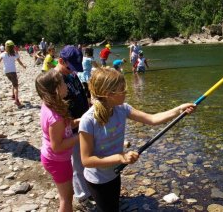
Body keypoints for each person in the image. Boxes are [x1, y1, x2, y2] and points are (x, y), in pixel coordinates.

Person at [79, 68, 196, 212]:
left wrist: (179, 109)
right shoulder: (88, 121)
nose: (126, 92)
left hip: (114, 173)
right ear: (109, 94)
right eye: (122, 89)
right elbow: (86, 160)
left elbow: (153, 119)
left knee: (114, 206)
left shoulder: (122, 109)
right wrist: (120, 157)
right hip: (97, 179)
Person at [54, 45, 96, 212]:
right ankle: (82, 196)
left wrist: (89, 104)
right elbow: (58, 112)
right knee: (78, 163)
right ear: (61, 61)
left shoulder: (71, 74)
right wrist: (77, 121)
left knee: (87, 157)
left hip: (82, 122)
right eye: (71, 67)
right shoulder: (55, 80)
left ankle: (89, 189)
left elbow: (80, 93)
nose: (73, 71)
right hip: (71, 127)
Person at [35, 69, 79, 212]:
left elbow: (67, 125)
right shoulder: (55, 118)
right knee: (66, 199)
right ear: (56, 89)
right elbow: (58, 146)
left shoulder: (50, 105)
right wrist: (82, 136)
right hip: (57, 160)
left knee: (66, 195)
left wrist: (82, 121)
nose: (66, 86)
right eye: (63, 83)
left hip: (54, 158)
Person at [0, 40, 26, 108]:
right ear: (13, 47)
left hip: (6, 71)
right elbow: (19, 62)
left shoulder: (2, 54)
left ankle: (13, 95)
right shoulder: (14, 54)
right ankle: (17, 101)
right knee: (16, 86)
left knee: (13, 83)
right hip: (12, 71)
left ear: (6, 46)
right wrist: (23, 66)